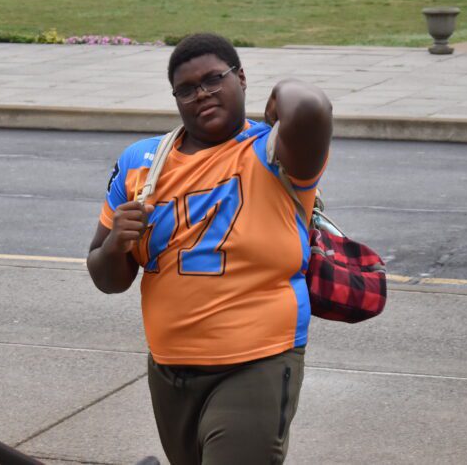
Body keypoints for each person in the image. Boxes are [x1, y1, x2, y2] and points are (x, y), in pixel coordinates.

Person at [87, 33, 332, 465]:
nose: (202, 93)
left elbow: (311, 107)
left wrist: (282, 95)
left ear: (240, 78)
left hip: (257, 361)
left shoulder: (274, 152)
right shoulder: (141, 162)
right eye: (187, 88)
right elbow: (107, 279)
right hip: (169, 370)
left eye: (214, 79)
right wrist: (115, 244)